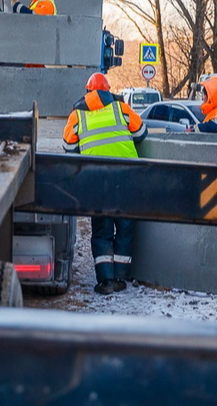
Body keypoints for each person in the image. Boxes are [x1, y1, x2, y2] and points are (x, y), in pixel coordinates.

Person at [62, 72, 147, 295]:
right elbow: (141, 132)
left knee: (101, 229)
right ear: (108, 91)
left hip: (96, 178)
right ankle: (120, 276)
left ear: (88, 91)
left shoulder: (77, 115)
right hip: (126, 176)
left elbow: (69, 148)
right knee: (126, 226)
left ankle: (105, 281)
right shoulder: (121, 108)